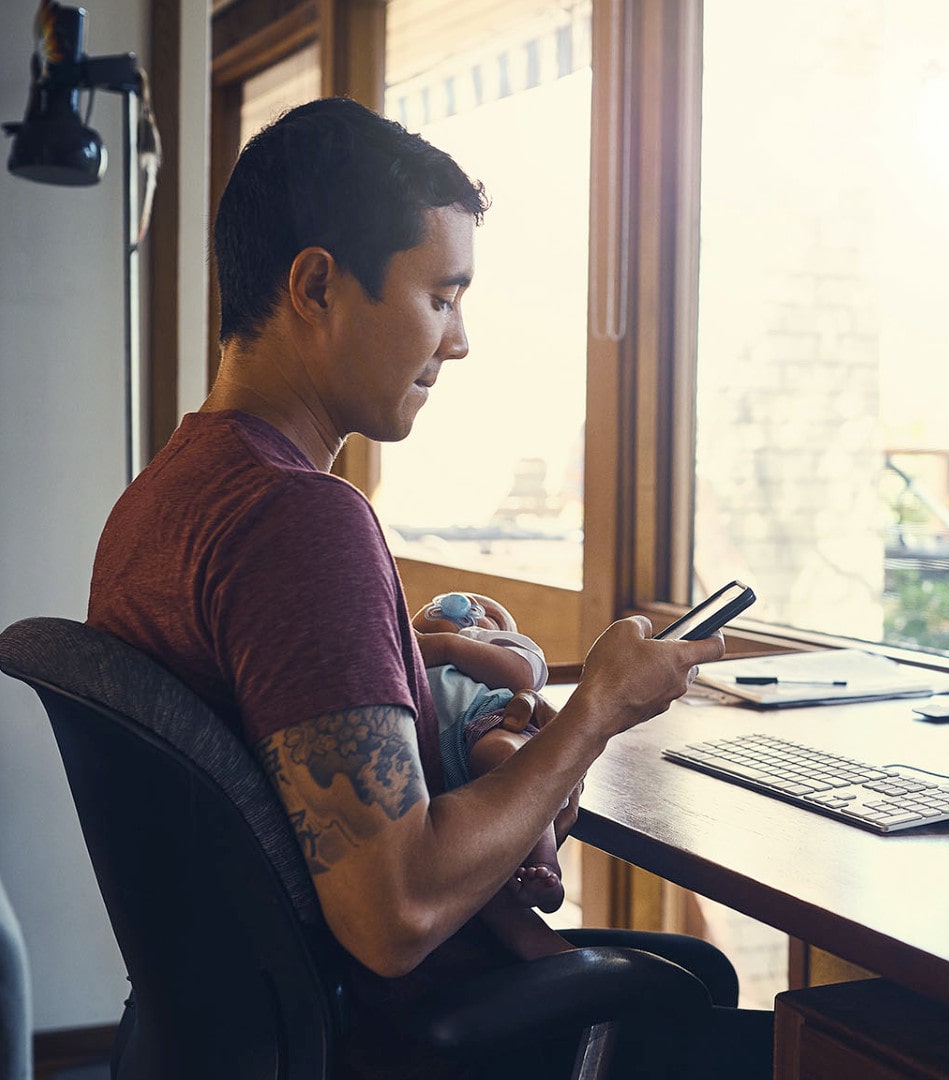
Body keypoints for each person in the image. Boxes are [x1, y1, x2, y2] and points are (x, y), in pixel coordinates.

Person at [87, 97, 769, 1079]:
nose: (458, 341)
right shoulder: (301, 521)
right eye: (442, 295)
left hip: (240, 1029)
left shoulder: (163, 499)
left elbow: (252, 720)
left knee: (690, 967)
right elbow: (393, 915)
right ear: (317, 285)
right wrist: (600, 708)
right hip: (382, 1033)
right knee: (720, 1005)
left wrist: (395, 656)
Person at [411, 590, 572, 960]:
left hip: (487, 723)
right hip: (438, 761)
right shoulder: (415, 649)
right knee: (476, 875)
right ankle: (537, 944)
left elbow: (520, 676)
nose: (465, 608)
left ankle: (545, 863)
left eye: (487, 613)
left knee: (507, 758)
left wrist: (452, 644)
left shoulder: (493, 647)